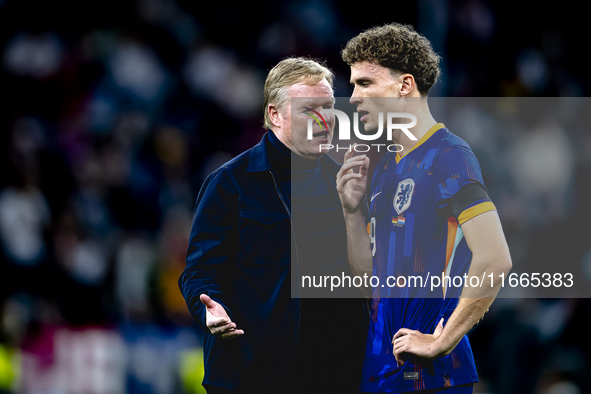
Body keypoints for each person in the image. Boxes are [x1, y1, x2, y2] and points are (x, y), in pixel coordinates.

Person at [336, 23, 512, 393]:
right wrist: (352, 213)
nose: (352, 97)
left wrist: (440, 341)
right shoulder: (385, 167)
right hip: (383, 370)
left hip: (433, 376)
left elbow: (495, 259)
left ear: (405, 85)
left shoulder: (449, 155)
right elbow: (371, 280)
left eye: (364, 83)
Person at [179, 57, 369, 394]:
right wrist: (208, 308)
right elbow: (199, 271)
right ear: (274, 115)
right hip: (252, 375)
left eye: (328, 107)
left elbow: (367, 280)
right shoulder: (230, 183)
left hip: (336, 374)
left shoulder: (348, 183)